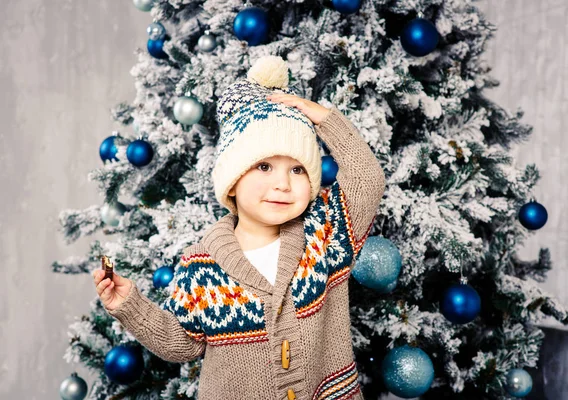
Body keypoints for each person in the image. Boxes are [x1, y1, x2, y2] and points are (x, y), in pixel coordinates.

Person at [93, 55, 386, 400]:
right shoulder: (201, 265)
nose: (283, 184)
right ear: (232, 181)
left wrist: (324, 119)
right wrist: (131, 305)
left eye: (297, 170)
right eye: (264, 166)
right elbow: (182, 342)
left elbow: (367, 179)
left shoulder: (323, 233)